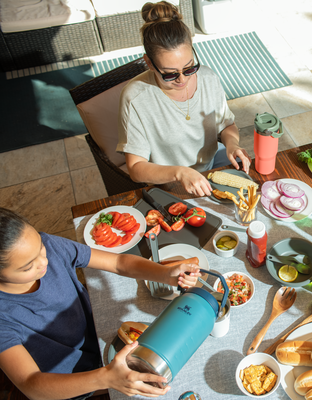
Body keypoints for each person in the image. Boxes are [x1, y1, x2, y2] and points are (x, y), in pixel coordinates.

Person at [0, 207, 200, 399]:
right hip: (75, 381)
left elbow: (118, 263)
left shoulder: (51, 247)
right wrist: (106, 378)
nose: (44, 262)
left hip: (99, 335)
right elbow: (31, 385)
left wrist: (165, 274)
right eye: (28, 267)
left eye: (40, 248)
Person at [117, 1, 251, 197]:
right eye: (170, 74)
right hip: (168, 183)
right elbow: (136, 168)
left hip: (210, 167)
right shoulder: (135, 98)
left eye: (189, 67)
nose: (182, 79)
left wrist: (232, 144)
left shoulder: (208, 78)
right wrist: (179, 173)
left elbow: (226, 125)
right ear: (149, 63)